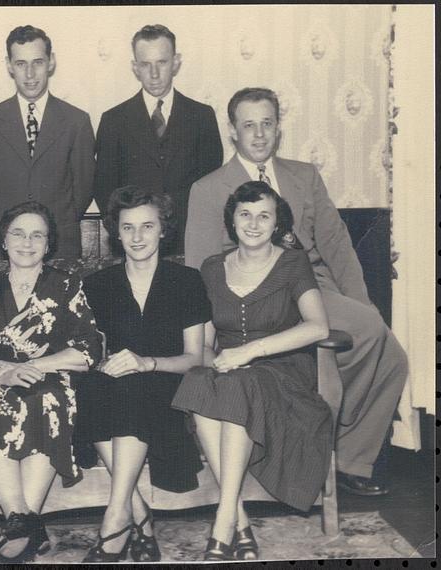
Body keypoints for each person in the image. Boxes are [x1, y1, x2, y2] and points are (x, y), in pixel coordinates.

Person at [184, 87, 408, 496]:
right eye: (248, 125)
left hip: (312, 286)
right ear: (232, 131)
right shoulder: (209, 188)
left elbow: (336, 245)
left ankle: (349, 456)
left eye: (267, 124)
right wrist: (205, 338)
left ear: (278, 128)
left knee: (388, 351)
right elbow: (200, 269)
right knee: (367, 339)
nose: (258, 134)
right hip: (250, 293)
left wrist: (361, 307)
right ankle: (325, 447)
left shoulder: (304, 176)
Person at [173, 182, 333, 560]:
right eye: (245, 214)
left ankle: (223, 519)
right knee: (198, 378)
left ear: (278, 222)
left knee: (241, 380)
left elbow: (318, 327)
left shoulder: (294, 263)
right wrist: (218, 361)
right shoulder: (212, 268)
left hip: (283, 374)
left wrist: (251, 350)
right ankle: (237, 520)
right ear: (232, 219)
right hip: (231, 373)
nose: (254, 223)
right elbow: (208, 346)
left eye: (264, 215)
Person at [0, 201, 101, 563]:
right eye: (18, 233)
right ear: (3, 241)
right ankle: (24, 524)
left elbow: (89, 348)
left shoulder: (66, 285)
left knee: (47, 398)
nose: (27, 241)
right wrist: (1, 373)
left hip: (51, 380)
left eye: (38, 234)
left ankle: (18, 528)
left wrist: (37, 364)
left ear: (49, 243)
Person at [75, 186, 209, 562]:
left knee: (131, 389)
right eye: (128, 227)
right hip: (115, 387)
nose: (137, 237)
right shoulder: (97, 285)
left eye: (147, 226)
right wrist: (106, 365)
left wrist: (148, 362)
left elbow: (195, 358)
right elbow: (91, 352)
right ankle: (138, 516)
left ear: (163, 230)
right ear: (115, 233)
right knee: (94, 388)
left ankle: (115, 520)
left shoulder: (187, 280)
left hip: (168, 384)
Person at [0, 25, 95, 260]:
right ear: (9, 65)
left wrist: (58, 224)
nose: (30, 74)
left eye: (37, 62)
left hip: (59, 244)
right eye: (21, 64)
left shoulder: (77, 121)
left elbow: (83, 189)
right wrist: (0, 228)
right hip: (0, 245)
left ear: (51, 62)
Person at [94, 24, 223, 254]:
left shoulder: (201, 116)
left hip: (188, 240)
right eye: (145, 64)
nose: (154, 74)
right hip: (134, 243)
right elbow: (104, 189)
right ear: (135, 67)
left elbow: (210, 184)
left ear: (175, 62)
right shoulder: (114, 120)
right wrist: (124, 232)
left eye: (162, 63)